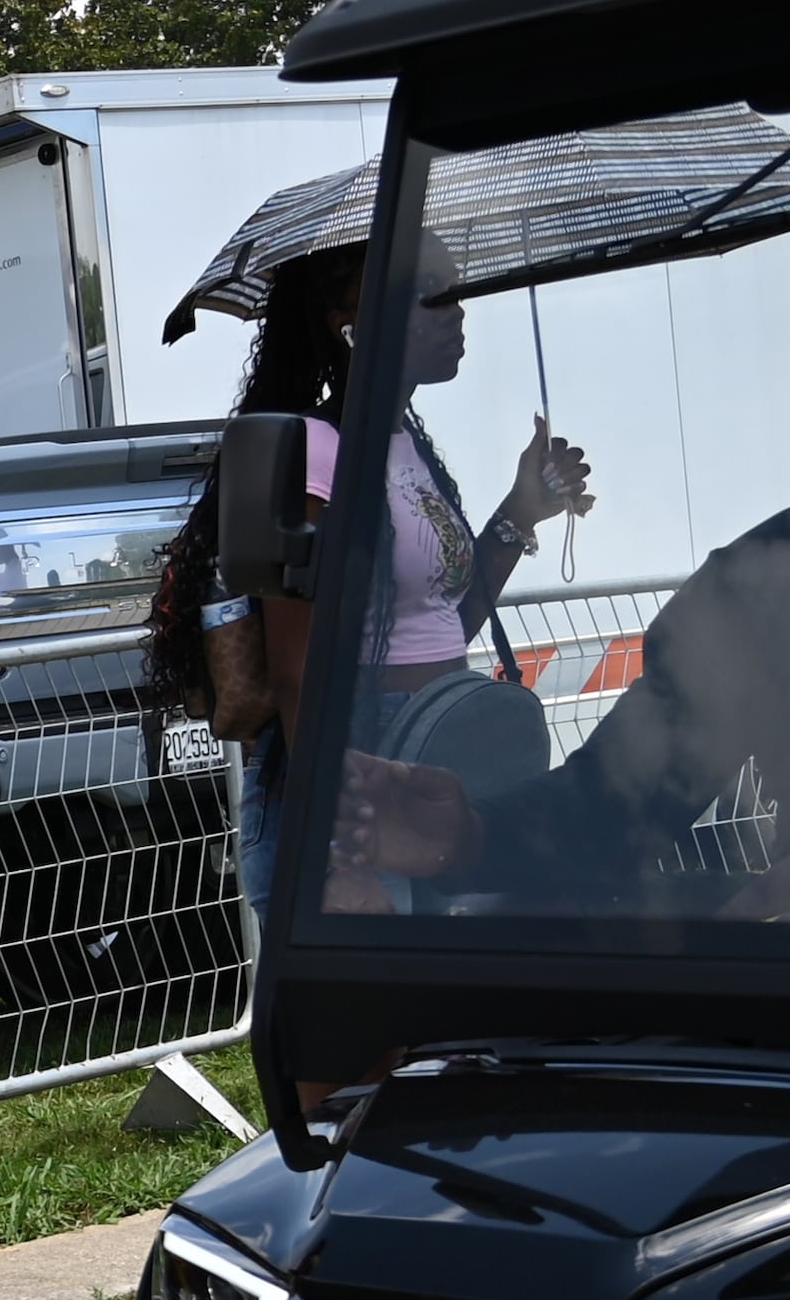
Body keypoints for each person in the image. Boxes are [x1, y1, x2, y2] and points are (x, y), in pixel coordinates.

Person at [155, 242, 592, 914]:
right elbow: (299, 672)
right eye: (430, 294)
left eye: (454, 289)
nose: (456, 310)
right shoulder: (314, 449)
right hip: (351, 791)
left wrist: (519, 512)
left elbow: (437, 626)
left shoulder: (406, 445)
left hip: (426, 770)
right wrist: (336, 855)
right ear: (349, 325)